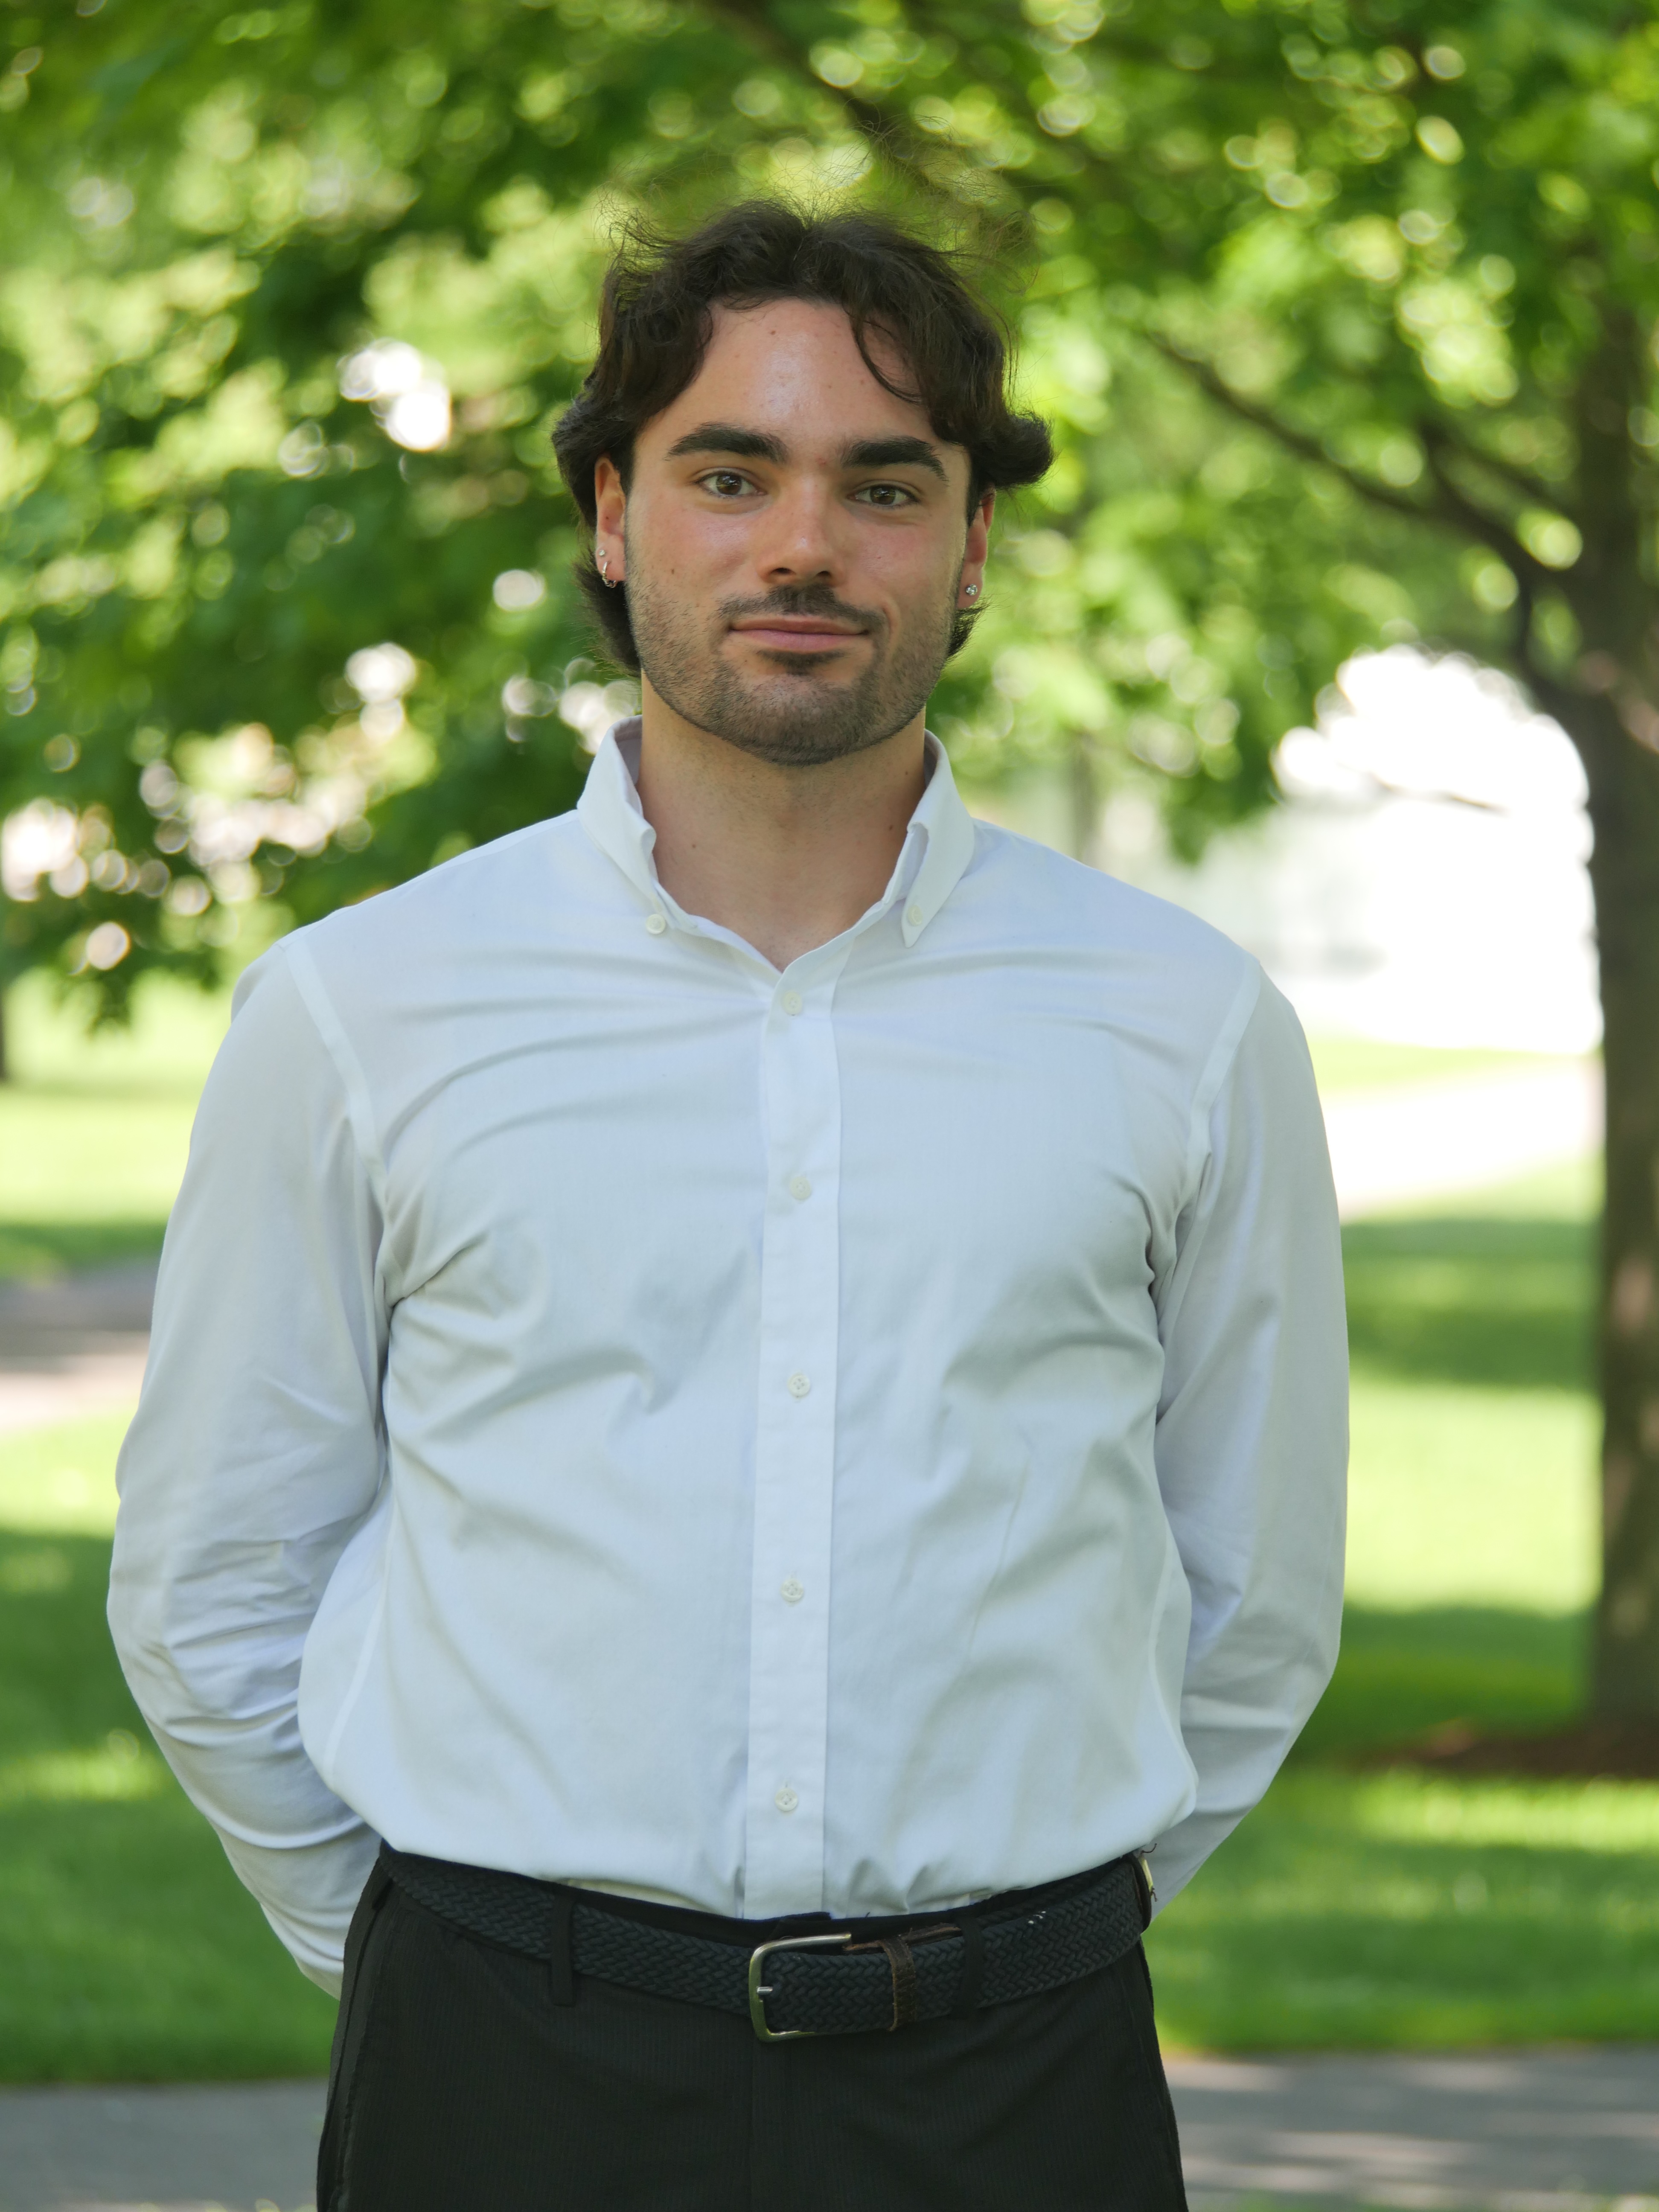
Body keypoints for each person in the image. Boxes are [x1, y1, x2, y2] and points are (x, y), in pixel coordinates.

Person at [109, 201, 1347, 2212]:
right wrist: (441, 1968)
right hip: (502, 2080)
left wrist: (1008, 1938)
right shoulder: (364, 1010)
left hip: (1018, 2095)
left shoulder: (1186, 1023)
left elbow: (1256, 1599)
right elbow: (215, 1580)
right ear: (614, 517)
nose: (803, 546)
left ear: (972, 544)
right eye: (728, 471)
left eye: (884, 483)